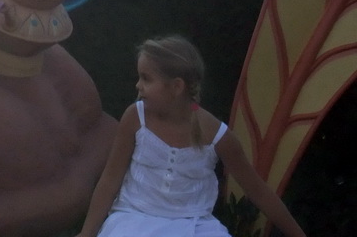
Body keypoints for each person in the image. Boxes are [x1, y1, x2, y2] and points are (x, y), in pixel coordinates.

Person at [75, 35, 307, 237]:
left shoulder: (217, 136)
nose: (138, 85)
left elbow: (259, 192)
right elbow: (110, 180)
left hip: (193, 224)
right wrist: (87, 233)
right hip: (133, 218)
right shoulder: (135, 117)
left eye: (146, 78)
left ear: (176, 87)